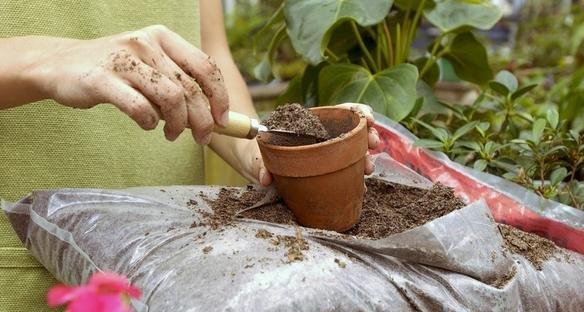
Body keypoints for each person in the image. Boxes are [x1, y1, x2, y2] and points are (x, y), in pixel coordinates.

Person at [0, 1, 380, 311]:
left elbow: (209, 58)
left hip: (175, 271)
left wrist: (259, 153)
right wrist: (47, 60)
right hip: (22, 273)